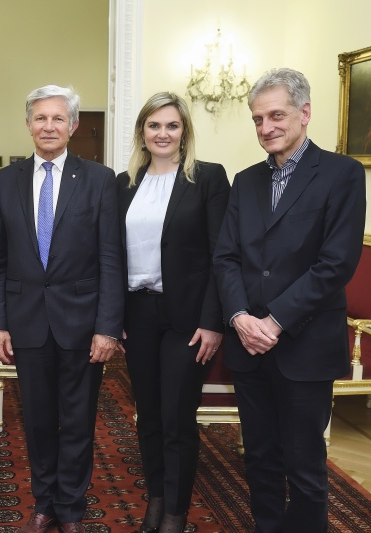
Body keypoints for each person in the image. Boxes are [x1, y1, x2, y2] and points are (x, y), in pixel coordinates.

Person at [213, 68, 366, 532]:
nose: (266, 128)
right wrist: (240, 317)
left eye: (276, 115)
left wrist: (274, 322)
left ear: (304, 113)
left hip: (304, 346)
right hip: (248, 345)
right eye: (258, 119)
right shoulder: (246, 181)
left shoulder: (342, 174)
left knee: (304, 464)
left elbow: (335, 263)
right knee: (259, 456)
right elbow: (226, 258)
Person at [0, 85, 124, 533]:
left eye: (57, 118)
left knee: (80, 422)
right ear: (28, 125)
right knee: (39, 421)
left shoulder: (101, 180)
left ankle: (70, 507)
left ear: (74, 126)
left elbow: (110, 258)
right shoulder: (5, 182)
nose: (48, 126)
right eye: (40, 118)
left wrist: (108, 327)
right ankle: (44, 502)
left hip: (83, 325)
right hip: (26, 324)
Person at [116, 92, 230, 533]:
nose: (162, 134)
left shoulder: (208, 179)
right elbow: (111, 253)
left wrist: (212, 321)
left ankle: (176, 513)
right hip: (138, 313)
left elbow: (222, 254)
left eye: (172, 126)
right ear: (142, 133)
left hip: (189, 319)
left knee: (177, 416)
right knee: (147, 413)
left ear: (184, 132)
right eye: (154, 126)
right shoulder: (123, 183)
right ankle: (157, 498)